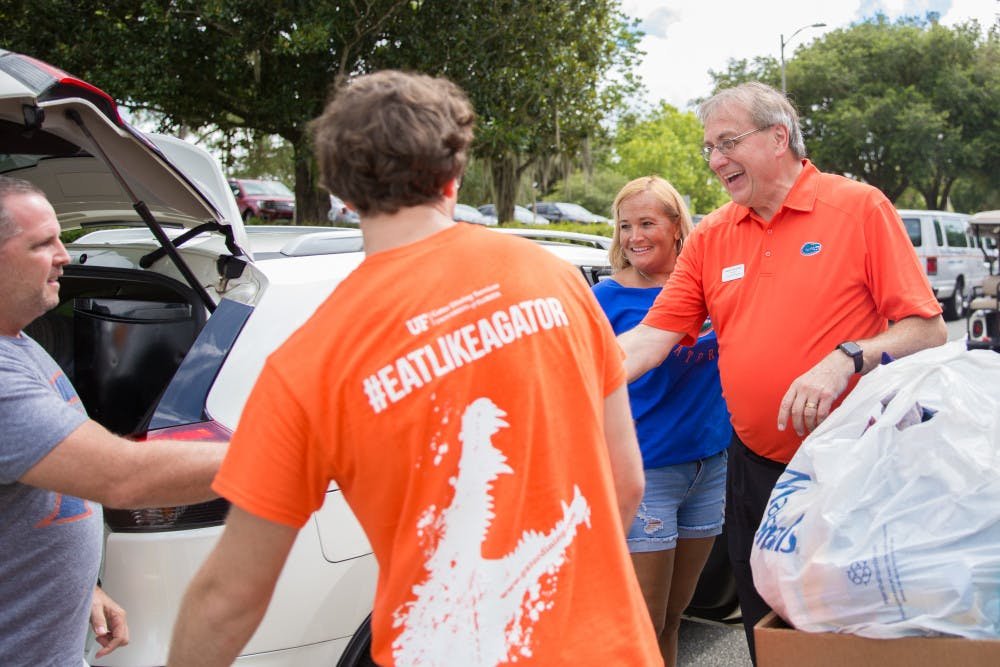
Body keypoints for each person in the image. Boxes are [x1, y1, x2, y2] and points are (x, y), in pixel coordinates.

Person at [167, 70, 662, 667]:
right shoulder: (551, 276)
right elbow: (626, 480)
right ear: (453, 176)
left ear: (341, 191)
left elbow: (229, 597)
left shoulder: (308, 362)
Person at [616, 82, 947, 663]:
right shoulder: (714, 236)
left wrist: (846, 357)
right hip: (757, 472)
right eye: (709, 149)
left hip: (855, 471)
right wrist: (568, 374)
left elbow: (927, 329)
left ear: (778, 136)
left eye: (728, 142)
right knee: (766, 632)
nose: (716, 160)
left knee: (848, 636)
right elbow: (649, 338)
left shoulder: (859, 207)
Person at [0, 175, 227, 666]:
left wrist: (85, 590)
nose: (65, 256)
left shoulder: (19, 343)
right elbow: (121, 477)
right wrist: (286, 453)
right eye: (42, 244)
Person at [592, 176, 730, 666]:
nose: (634, 236)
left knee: (675, 619)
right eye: (626, 225)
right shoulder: (605, 299)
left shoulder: (707, 287)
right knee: (642, 625)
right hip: (647, 474)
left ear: (677, 227)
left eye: (647, 223)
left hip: (709, 470)